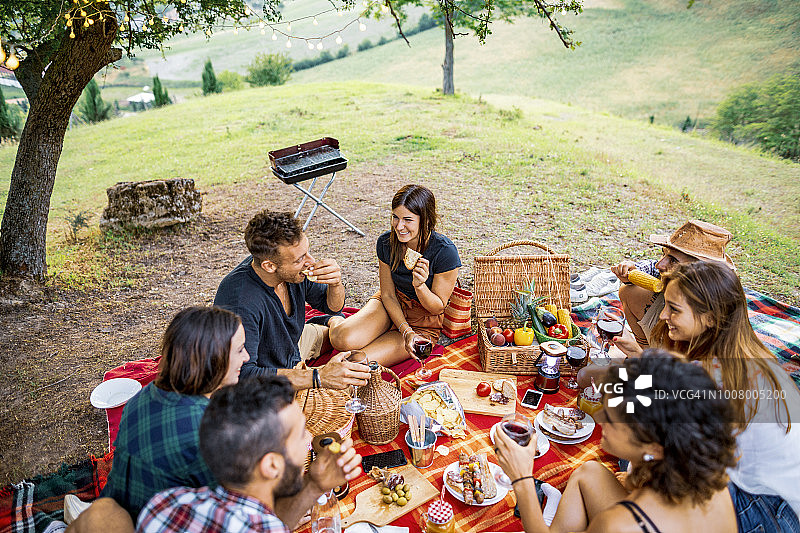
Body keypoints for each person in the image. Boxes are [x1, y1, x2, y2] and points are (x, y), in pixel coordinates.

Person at [494, 352, 800, 533]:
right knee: (590, 472)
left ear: (654, 446)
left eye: (613, 420)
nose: (600, 420)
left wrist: (522, 477)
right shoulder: (705, 470)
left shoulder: (620, 524)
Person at [615, 260, 800, 518]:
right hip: (780, 496)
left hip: (762, 510)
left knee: (629, 440)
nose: (662, 315)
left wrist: (639, 475)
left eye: (673, 309)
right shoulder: (741, 350)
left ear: (711, 318)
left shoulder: (712, 375)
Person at [68, 306, 250, 531]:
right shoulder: (210, 431)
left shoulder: (146, 393)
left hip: (115, 502)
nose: (247, 357)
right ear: (214, 358)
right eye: (240, 349)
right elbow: (232, 512)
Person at [136, 375, 362, 532]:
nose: (310, 440)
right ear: (272, 465)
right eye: (302, 433)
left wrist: (314, 485)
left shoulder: (164, 503)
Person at [214, 210, 370, 390]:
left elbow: (331, 306)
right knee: (348, 372)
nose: (310, 261)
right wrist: (317, 377)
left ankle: (329, 324)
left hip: (292, 344)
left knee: (353, 340)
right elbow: (242, 376)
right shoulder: (240, 301)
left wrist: (335, 284)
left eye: (307, 252)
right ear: (269, 266)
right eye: (300, 259)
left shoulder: (293, 274)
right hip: (268, 370)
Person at [328, 184, 461, 366]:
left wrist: (420, 286)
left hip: (422, 322)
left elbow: (437, 308)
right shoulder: (386, 243)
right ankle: (334, 321)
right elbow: (388, 294)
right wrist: (404, 330)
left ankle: (378, 334)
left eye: (408, 219)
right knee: (341, 340)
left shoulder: (445, 252)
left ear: (426, 220)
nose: (399, 226)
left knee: (358, 361)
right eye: (395, 217)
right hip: (390, 305)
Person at [611, 219, 734, 348]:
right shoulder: (665, 270)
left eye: (673, 260)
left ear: (700, 270)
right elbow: (652, 266)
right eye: (664, 254)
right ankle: (644, 348)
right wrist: (631, 271)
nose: (660, 264)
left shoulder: (714, 310)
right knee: (628, 290)